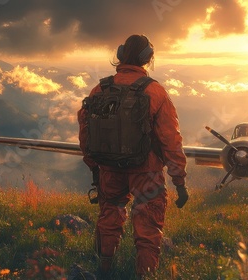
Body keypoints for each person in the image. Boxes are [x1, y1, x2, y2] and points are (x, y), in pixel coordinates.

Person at [77, 34, 189, 278]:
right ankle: (145, 275)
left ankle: (104, 269)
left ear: (119, 54)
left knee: (109, 217)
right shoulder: (156, 92)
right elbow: (171, 141)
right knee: (148, 225)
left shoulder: (99, 89)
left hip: (108, 169)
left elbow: (85, 133)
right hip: (146, 172)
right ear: (147, 57)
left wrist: (96, 168)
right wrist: (179, 181)